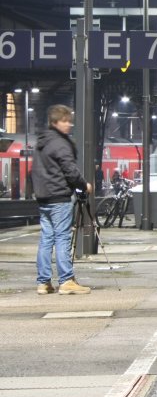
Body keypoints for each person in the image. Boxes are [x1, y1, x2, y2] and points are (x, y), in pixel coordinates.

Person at [31, 104, 92, 295]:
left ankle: (43, 282)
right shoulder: (60, 143)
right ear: (55, 122)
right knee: (62, 237)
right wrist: (84, 185)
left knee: (46, 239)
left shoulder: (41, 142)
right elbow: (70, 171)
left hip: (43, 198)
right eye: (65, 121)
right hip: (59, 197)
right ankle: (66, 280)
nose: (69, 125)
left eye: (69, 121)